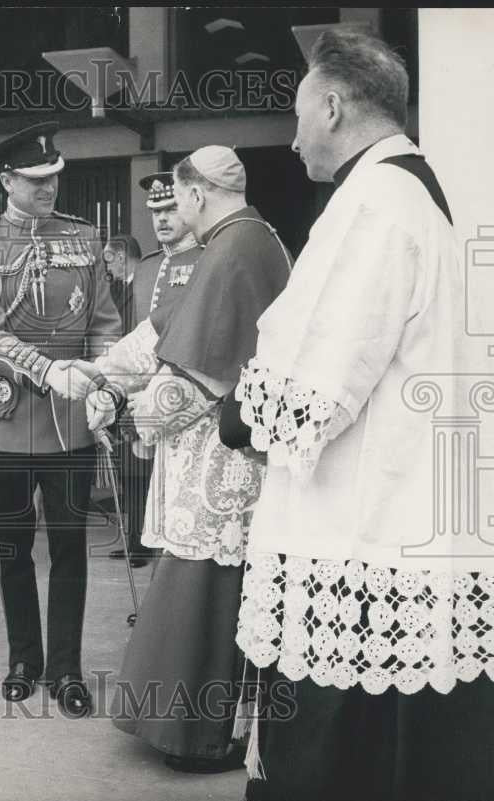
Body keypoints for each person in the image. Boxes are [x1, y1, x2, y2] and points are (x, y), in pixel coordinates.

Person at [225, 31, 494, 801]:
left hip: (365, 537)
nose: (292, 140)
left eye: (298, 116)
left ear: (332, 106)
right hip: (416, 528)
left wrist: (239, 408)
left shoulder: (372, 203)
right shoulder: (416, 193)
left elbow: (308, 388)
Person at [101, 147, 291, 772]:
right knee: (197, 579)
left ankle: (208, 734)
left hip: (223, 463)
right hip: (215, 455)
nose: (175, 211)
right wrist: (107, 376)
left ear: (198, 193)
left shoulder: (234, 248)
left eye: (178, 198)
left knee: (208, 588)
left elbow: (204, 373)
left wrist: (135, 417)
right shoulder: (253, 238)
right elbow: (168, 335)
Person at [0, 121, 123, 718]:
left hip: (72, 421)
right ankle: (24, 658)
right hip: (8, 416)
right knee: (14, 549)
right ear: (7, 181)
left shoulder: (84, 237)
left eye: (54, 177)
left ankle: (66, 668)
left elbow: (103, 321)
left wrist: (107, 381)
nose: (49, 188)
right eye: (35, 179)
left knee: (71, 547)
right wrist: (47, 370)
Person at [106, 173, 202, 568]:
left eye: (171, 209)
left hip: (186, 400)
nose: (162, 220)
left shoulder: (206, 259)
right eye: (155, 212)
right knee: (144, 492)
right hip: (139, 398)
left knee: (181, 506)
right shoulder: (145, 269)